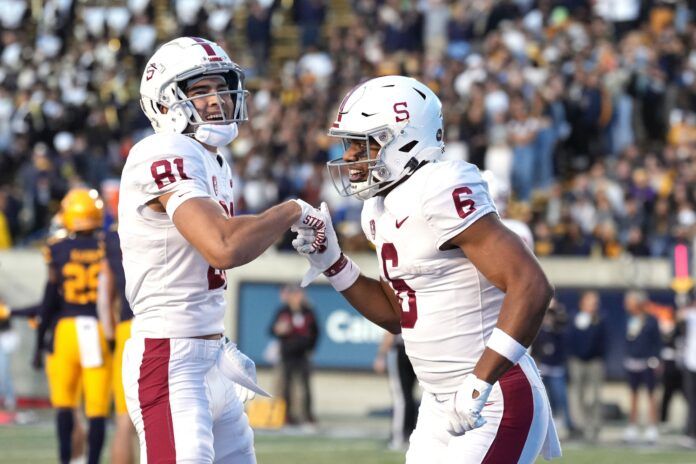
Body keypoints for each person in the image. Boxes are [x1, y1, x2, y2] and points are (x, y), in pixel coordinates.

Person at [292, 75, 561, 463]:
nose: (350, 155)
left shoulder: (440, 186)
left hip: (492, 394)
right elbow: (399, 314)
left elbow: (531, 286)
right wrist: (334, 264)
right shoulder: (379, 209)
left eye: (362, 143)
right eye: (347, 143)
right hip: (438, 404)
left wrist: (479, 381)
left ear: (405, 139)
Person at [118, 36, 321, 463]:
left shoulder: (213, 160)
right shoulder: (161, 150)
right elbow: (222, 246)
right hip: (170, 356)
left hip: (211, 356)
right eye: (200, 91)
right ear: (164, 102)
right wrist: (292, 211)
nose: (217, 100)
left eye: (221, 88)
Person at [33, 188, 111, 464]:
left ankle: (66, 460)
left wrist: (39, 341)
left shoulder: (56, 248)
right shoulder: (107, 247)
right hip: (99, 330)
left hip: (66, 330)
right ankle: (92, 461)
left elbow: (49, 299)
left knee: (65, 405)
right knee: (97, 408)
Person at [99, 222, 137, 464]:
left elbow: (104, 297)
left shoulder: (113, 238)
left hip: (127, 327)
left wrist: (110, 336)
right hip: (166, 324)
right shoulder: (168, 222)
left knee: (124, 418)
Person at [270, 285, 319, 425]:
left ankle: (307, 415)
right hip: (287, 353)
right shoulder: (283, 312)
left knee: (305, 386)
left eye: (300, 295)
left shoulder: (308, 312)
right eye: (295, 295)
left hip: (303, 353)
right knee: (286, 386)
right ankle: (288, 416)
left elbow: (316, 332)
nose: (298, 298)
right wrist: (278, 330)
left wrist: (311, 347)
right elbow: (272, 329)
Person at [532, 299, 578, 438]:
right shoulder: (539, 329)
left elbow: (565, 333)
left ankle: (568, 425)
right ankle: (543, 427)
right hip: (543, 367)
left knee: (561, 398)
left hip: (557, 367)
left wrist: (556, 313)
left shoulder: (560, 327)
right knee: (544, 400)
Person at [622, 290, 662, 444]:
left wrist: (655, 359)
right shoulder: (629, 319)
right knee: (633, 395)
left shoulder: (651, 320)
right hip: (632, 362)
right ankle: (632, 426)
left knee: (651, 395)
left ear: (638, 303)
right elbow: (628, 341)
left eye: (630, 301)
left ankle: (652, 427)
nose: (627, 305)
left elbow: (657, 342)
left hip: (647, 363)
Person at [567, 290, 606, 442]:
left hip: (594, 361)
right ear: (582, 302)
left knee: (595, 396)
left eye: (595, 302)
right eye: (591, 301)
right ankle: (582, 426)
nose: (594, 305)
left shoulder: (600, 319)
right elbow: (570, 338)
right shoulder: (574, 317)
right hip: (577, 361)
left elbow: (603, 341)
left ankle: (595, 426)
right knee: (578, 394)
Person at [373, 331, 417, 451]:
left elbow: (392, 328)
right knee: (408, 396)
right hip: (418, 348)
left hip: (401, 348)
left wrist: (381, 355)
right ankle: (410, 435)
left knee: (401, 397)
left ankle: (399, 437)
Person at [0, 298, 18, 412]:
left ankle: (10, 399)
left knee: (3, 372)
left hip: (4, 341)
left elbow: (6, 324)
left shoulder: (4, 310)